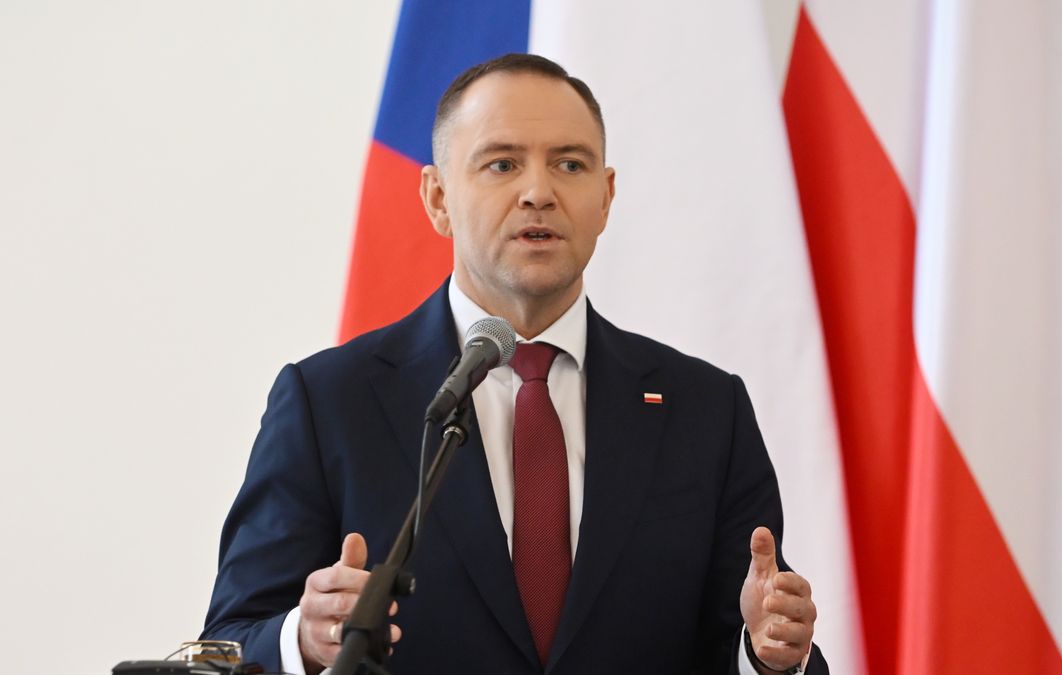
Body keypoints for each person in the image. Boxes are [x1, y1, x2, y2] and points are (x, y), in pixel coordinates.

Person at [202, 53, 826, 675]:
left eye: (570, 164)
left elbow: (747, 632)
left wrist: (766, 656)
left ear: (605, 199)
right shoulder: (329, 402)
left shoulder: (705, 410)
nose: (538, 192)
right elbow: (227, 646)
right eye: (503, 164)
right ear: (438, 197)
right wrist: (303, 642)